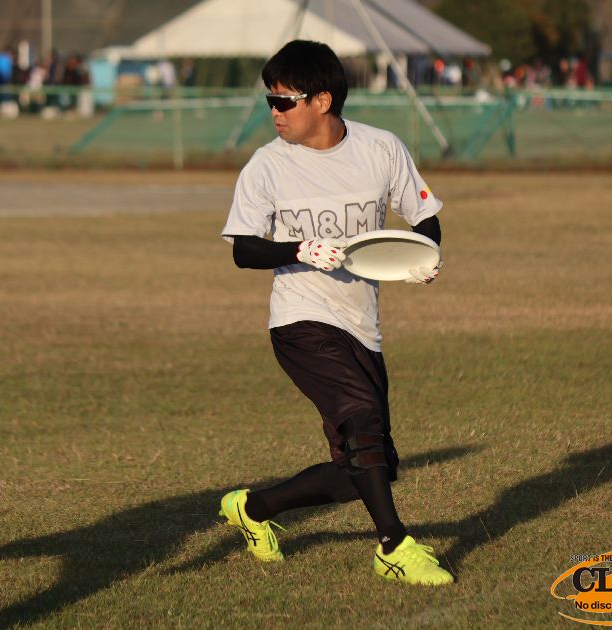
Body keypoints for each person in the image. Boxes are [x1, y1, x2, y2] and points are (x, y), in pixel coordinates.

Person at [218, 40, 452, 587]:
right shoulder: (266, 165)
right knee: (361, 420)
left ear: (322, 100)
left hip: (362, 326)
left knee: (363, 470)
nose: (274, 112)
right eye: (270, 101)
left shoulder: (381, 148)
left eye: (284, 101)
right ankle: (393, 546)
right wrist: (299, 249)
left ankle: (252, 508)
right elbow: (243, 249)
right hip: (299, 320)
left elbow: (425, 218)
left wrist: (424, 257)